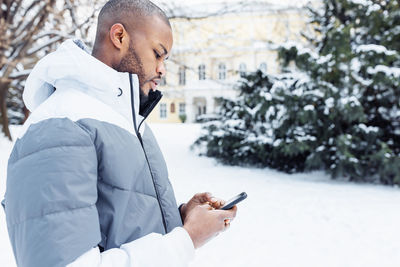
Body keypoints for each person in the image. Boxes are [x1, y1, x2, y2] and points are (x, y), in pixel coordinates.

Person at [2, 0, 237, 266]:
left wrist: (181, 218)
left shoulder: (129, 122)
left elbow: (122, 223)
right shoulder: (60, 126)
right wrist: (187, 238)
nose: (163, 69)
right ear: (119, 36)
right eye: (158, 54)